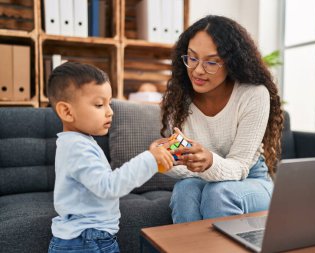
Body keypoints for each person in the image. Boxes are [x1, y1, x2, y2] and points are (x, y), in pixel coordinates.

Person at [160, 15, 284, 223]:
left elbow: (240, 166)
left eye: (211, 62)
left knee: (219, 193)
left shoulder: (253, 94)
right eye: (191, 58)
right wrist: (164, 158)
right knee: (185, 191)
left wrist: (208, 162)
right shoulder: (179, 96)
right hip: (201, 177)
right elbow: (179, 166)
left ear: (232, 63)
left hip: (251, 178)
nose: (198, 70)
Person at [47, 62, 174, 252]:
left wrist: (152, 157)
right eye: (99, 105)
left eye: (110, 103)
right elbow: (109, 186)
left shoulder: (79, 142)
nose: (110, 111)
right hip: (86, 241)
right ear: (66, 111)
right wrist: (150, 159)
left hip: (89, 238)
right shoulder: (77, 148)